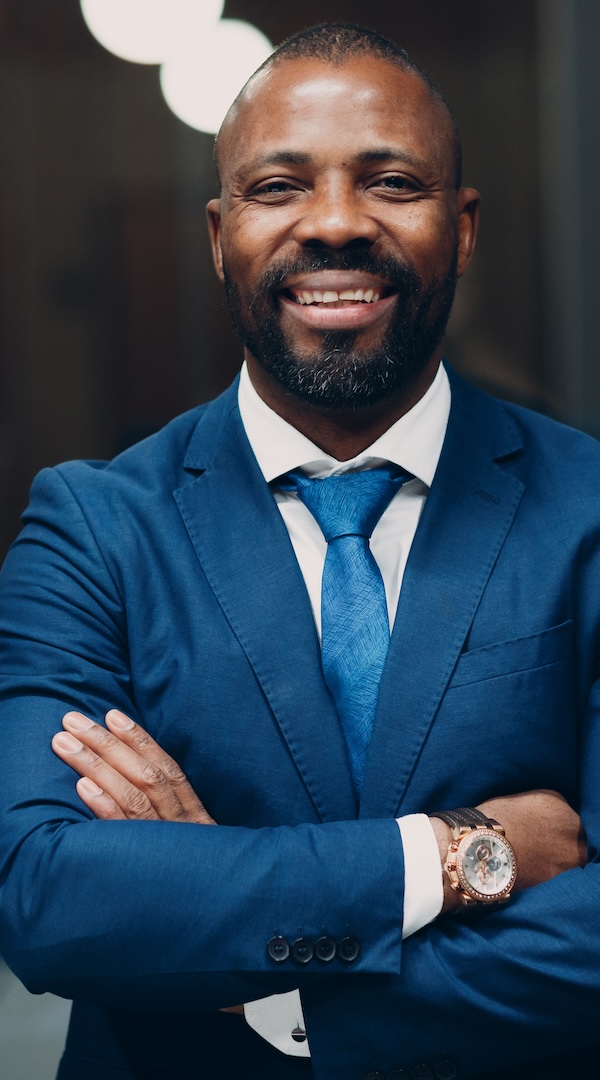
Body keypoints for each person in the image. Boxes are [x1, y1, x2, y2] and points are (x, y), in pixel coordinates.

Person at [0, 21, 597, 1080]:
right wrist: (455, 854)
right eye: (280, 186)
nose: (333, 224)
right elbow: (50, 897)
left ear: (462, 229)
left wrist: (273, 984)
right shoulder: (94, 530)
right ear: (218, 235)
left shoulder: (587, 509)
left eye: (392, 182)